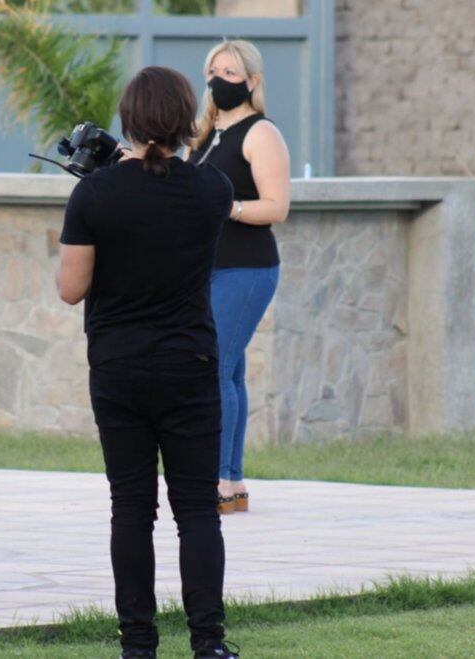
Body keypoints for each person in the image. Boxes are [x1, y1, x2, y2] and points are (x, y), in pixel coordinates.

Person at [57, 66, 240, 659]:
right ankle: (209, 643)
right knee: (197, 512)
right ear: (187, 120)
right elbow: (170, 190)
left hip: (119, 365)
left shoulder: (94, 194)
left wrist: (100, 182)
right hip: (190, 359)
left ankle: (138, 643)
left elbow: (70, 289)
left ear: (127, 120)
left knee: (132, 509)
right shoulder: (213, 189)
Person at [187, 40, 291, 515]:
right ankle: (231, 482)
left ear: (251, 81)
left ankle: (214, 481)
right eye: (213, 70)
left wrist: (228, 207)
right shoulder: (206, 134)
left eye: (230, 72)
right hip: (205, 268)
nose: (219, 80)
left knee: (211, 369)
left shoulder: (260, 133)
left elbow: (277, 206)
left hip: (245, 268)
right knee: (227, 371)